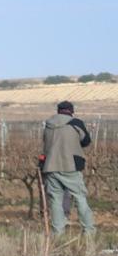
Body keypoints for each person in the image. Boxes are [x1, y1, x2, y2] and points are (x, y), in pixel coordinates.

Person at [41, 101, 94, 239]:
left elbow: (45, 142)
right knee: (80, 197)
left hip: (50, 166)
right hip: (70, 166)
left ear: (58, 111)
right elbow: (86, 141)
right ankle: (89, 231)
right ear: (71, 111)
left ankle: (58, 234)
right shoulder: (76, 123)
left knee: (55, 201)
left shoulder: (48, 124)